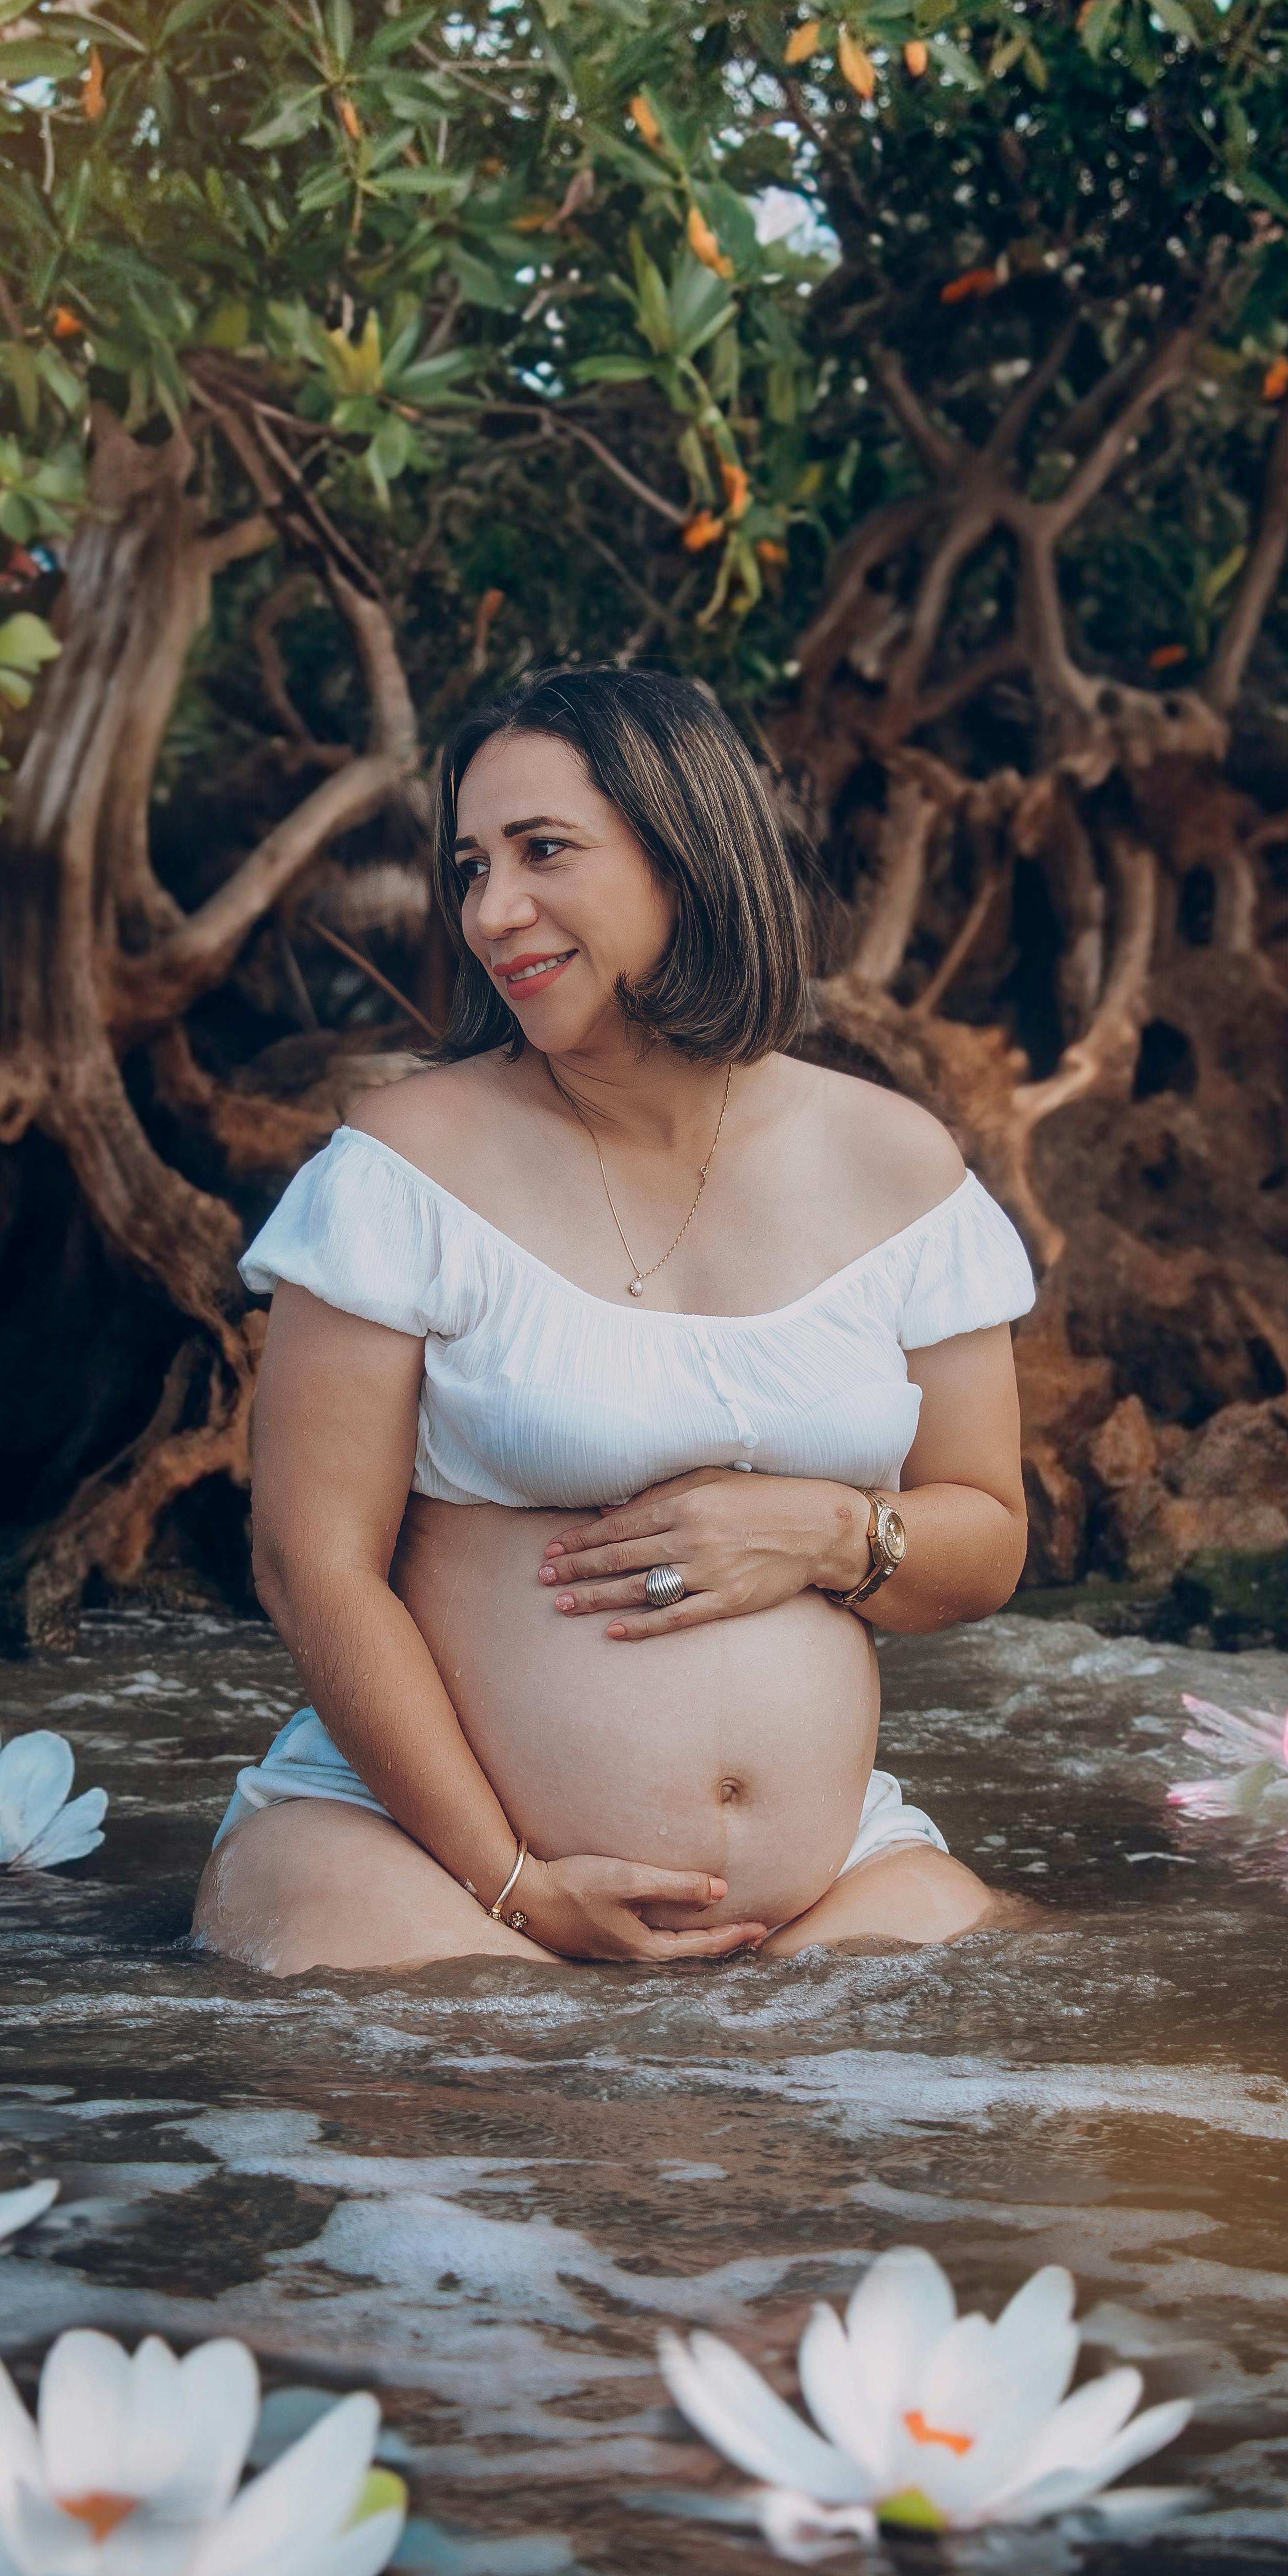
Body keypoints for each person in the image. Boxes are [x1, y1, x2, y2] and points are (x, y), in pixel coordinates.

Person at [193, 668, 1036, 1978]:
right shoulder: (404, 1166)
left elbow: (985, 1539)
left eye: (544, 852)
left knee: (1001, 2038)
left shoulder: (900, 1167)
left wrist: (825, 1529)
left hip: (822, 1891)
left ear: (688, 857)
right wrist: (518, 1884)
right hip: (431, 1872)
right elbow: (313, 1569)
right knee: (532, 2101)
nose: (491, 910)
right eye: (471, 866)